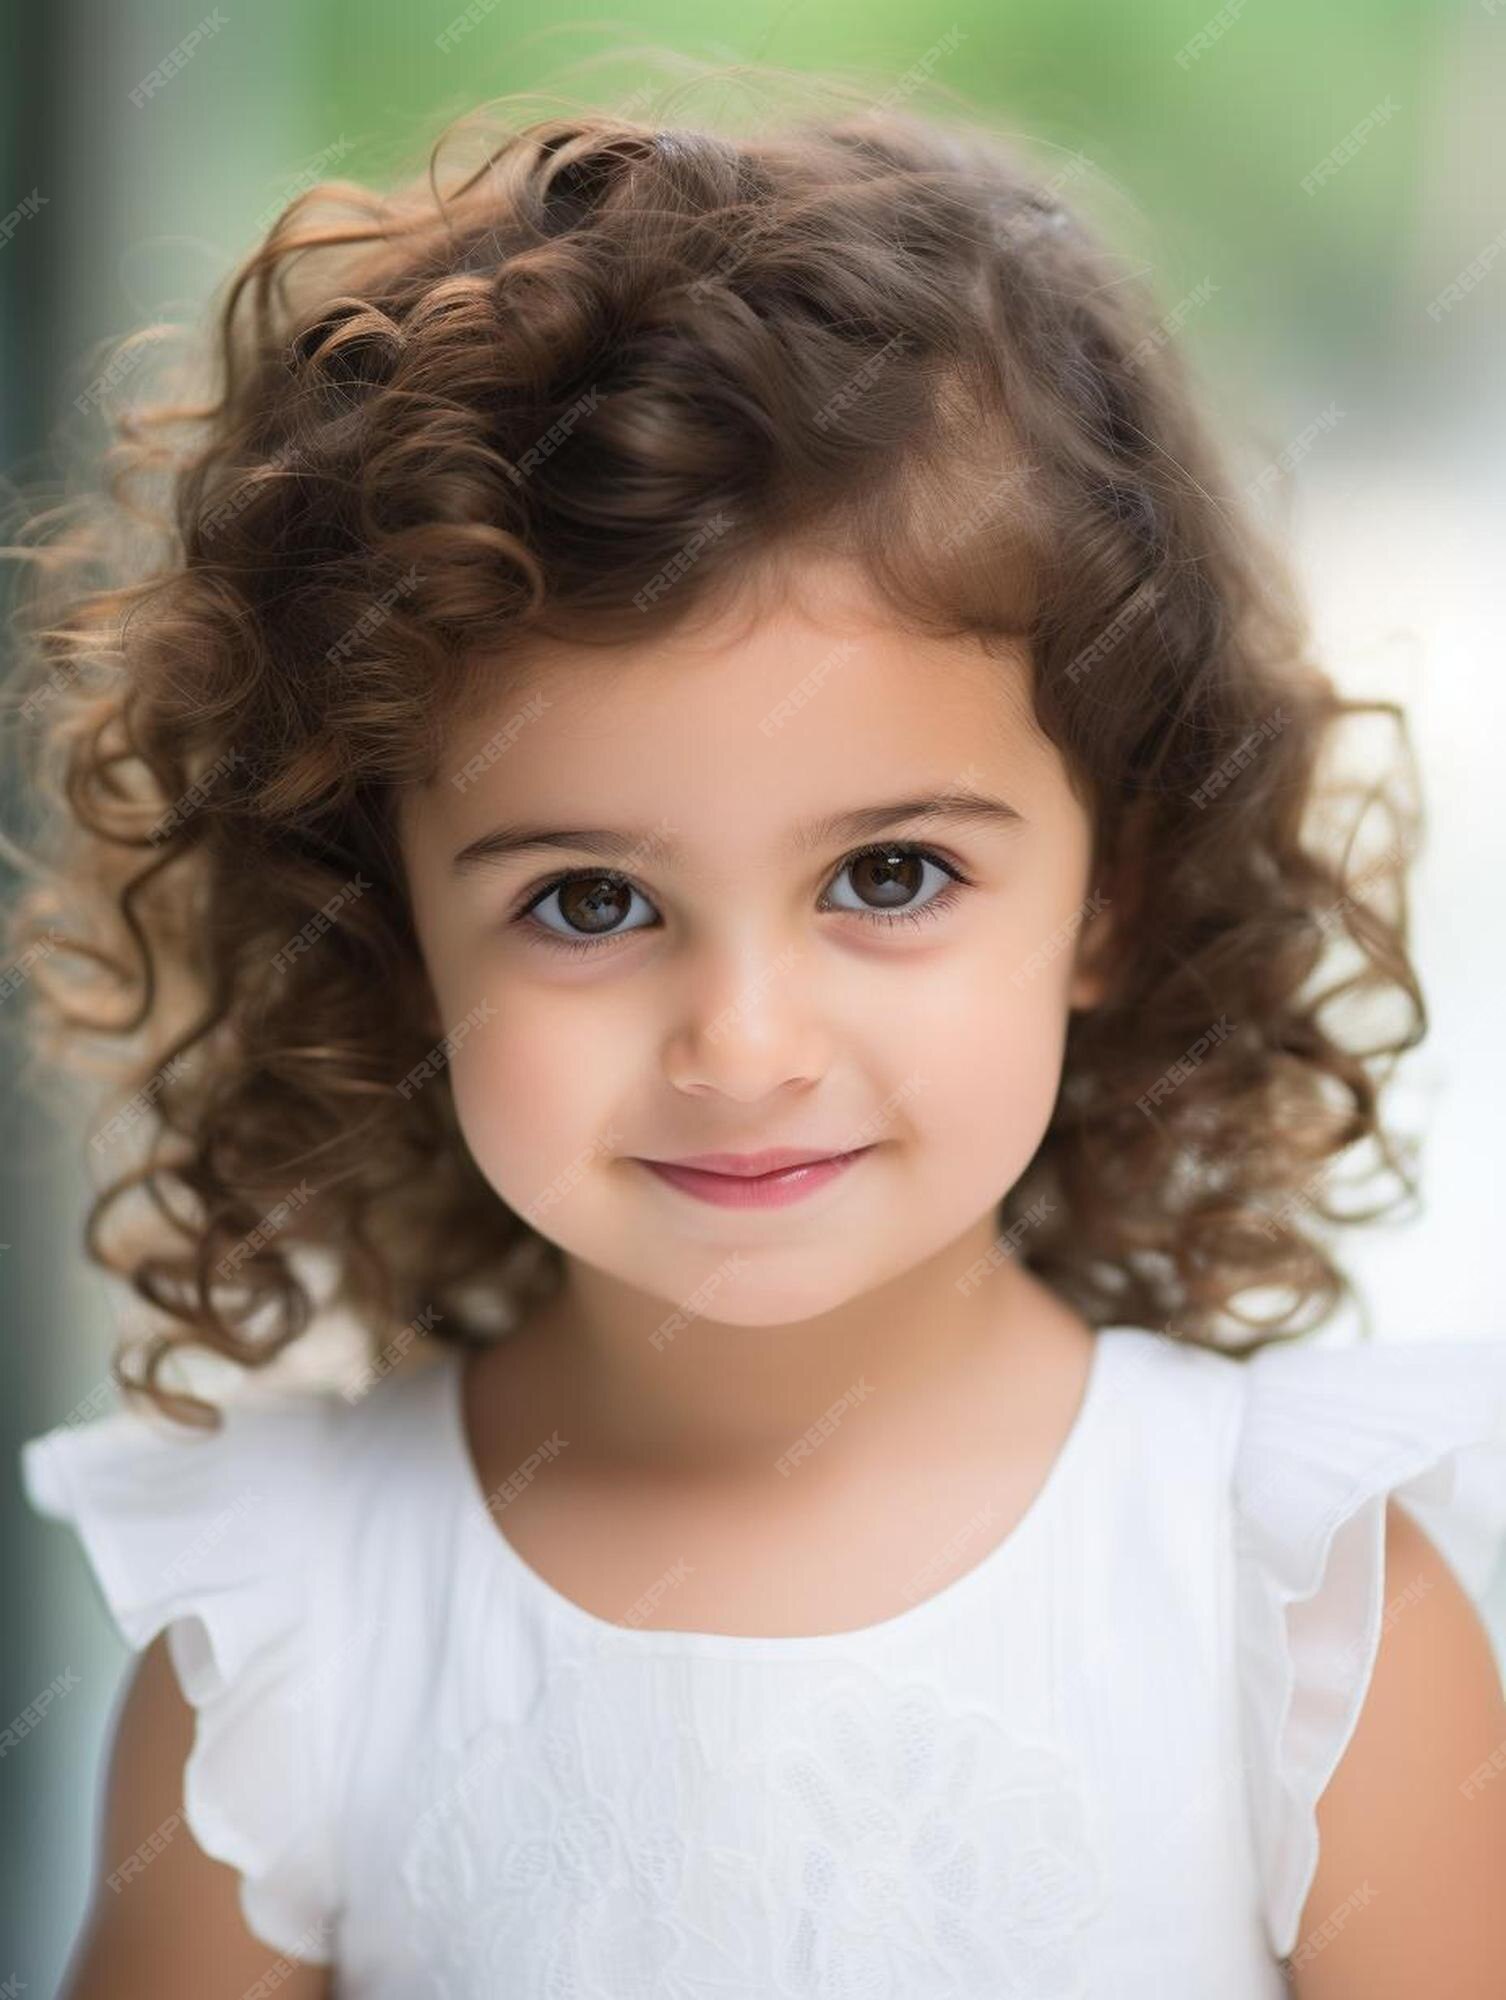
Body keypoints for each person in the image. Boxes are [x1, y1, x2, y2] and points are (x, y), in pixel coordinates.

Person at [10, 76, 1506, 2000]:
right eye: (589, 902)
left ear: (1111, 892)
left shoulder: (1292, 1603)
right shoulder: (285, 1629)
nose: (742, 1041)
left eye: (886, 875)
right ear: (389, 939)